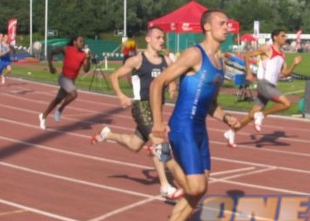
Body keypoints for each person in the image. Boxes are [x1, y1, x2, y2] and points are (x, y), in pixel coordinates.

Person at [150, 10, 240, 220]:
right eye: (222, 23)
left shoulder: (220, 64)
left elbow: (211, 106)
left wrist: (227, 118)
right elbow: (157, 83)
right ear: (207, 27)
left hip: (200, 130)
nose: (227, 27)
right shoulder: (194, 54)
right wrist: (157, 123)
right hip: (183, 127)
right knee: (195, 187)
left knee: (199, 192)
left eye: (228, 24)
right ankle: (162, 153)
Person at [91, 26, 182, 200]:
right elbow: (114, 76)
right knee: (158, 141)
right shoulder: (137, 60)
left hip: (157, 109)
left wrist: (172, 86)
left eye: (163, 38)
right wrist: (121, 96)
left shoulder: (166, 62)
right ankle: (164, 185)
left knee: (134, 145)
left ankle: (108, 134)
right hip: (141, 106)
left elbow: (173, 75)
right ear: (148, 39)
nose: (161, 41)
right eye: (158, 37)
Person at [224, 29, 302, 148]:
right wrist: (249, 73)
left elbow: (285, 73)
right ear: (275, 37)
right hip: (264, 84)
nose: (285, 38)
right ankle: (262, 115)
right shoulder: (267, 48)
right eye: (282, 35)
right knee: (287, 104)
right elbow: (247, 56)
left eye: (285, 36)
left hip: (270, 86)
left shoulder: (283, 54)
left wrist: (294, 64)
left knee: (252, 115)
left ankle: (231, 132)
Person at [38, 35, 90, 130]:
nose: (82, 43)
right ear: (74, 42)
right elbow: (51, 52)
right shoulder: (67, 49)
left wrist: (88, 58)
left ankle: (43, 116)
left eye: (83, 42)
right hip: (63, 78)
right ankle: (60, 109)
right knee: (74, 94)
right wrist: (50, 66)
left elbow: (86, 70)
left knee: (57, 99)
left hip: (71, 81)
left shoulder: (83, 55)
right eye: (80, 41)